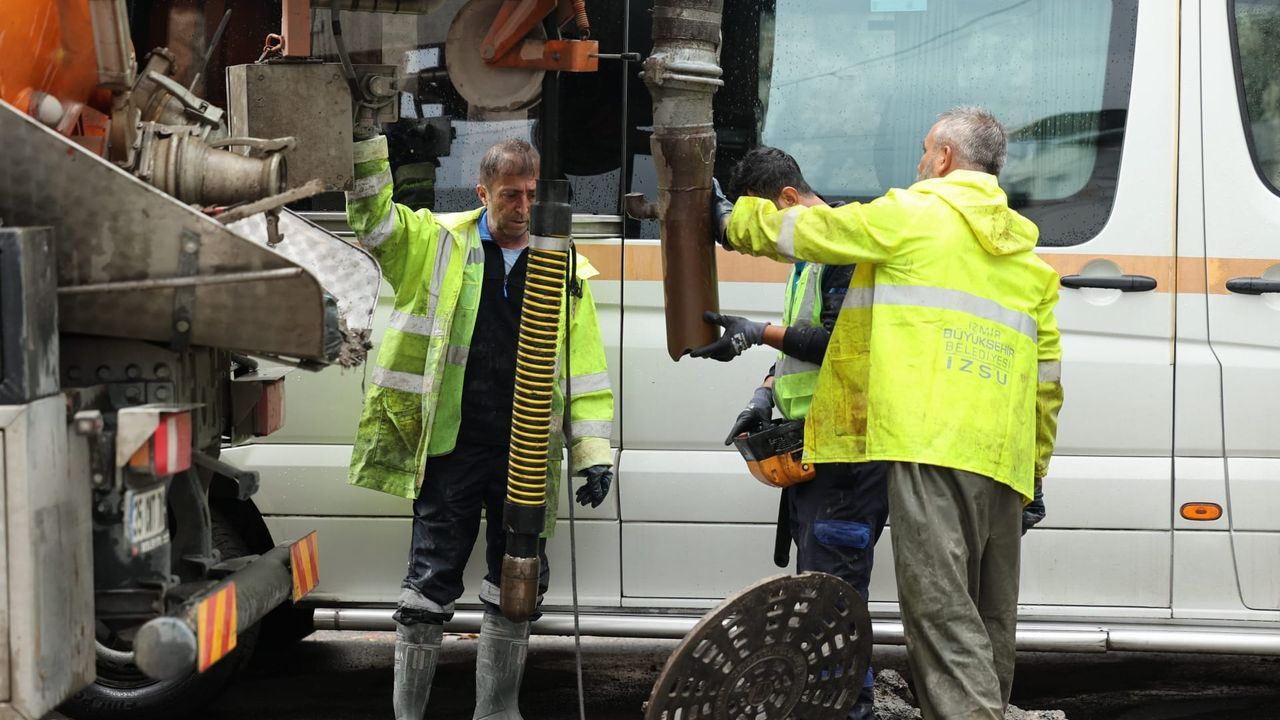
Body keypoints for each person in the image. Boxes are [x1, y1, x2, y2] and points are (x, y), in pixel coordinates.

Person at [715, 107, 1064, 719]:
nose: (920, 162)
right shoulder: (1029, 261)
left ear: (946, 158)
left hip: (933, 444)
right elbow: (1047, 385)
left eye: (926, 150)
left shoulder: (916, 214)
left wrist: (727, 219)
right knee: (988, 621)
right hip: (1004, 459)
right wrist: (1033, 473)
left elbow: (812, 231)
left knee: (941, 616)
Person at [344, 130, 615, 720]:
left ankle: (497, 712)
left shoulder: (564, 264)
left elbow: (584, 367)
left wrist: (593, 451)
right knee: (427, 586)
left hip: (525, 452)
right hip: (453, 447)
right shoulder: (436, 243)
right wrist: (365, 140)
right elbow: (375, 224)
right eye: (510, 195)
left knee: (517, 587)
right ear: (482, 192)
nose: (523, 207)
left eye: (531, 194)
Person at [691, 146, 887, 720]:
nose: (767, 239)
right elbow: (804, 355)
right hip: (818, 448)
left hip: (848, 455)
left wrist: (758, 332)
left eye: (766, 222)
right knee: (822, 603)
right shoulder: (811, 261)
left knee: (832, 608)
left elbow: (837, 345)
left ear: (788, 200)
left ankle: (852, 710)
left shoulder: (844, 253)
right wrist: (763, 394)